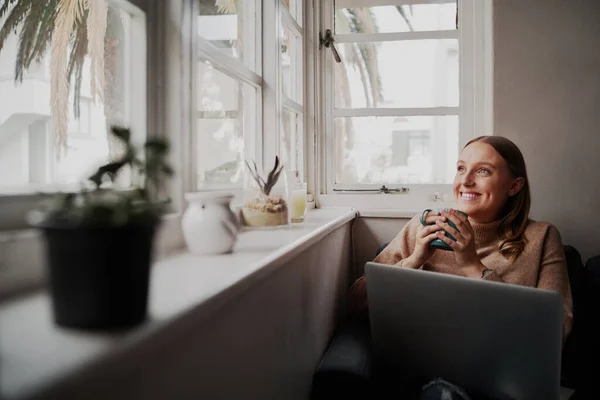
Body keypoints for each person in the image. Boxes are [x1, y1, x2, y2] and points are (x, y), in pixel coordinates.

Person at [347, 135, 574, 398]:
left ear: (514, 186)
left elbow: (556, 333)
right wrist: (414, 260)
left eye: (483, 171)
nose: (465, 181)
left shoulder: (543, 238)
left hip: (502, 381)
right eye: (461, 169)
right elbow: (354, 303)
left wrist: (471, 264)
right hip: (418, 372)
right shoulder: (422, 228)